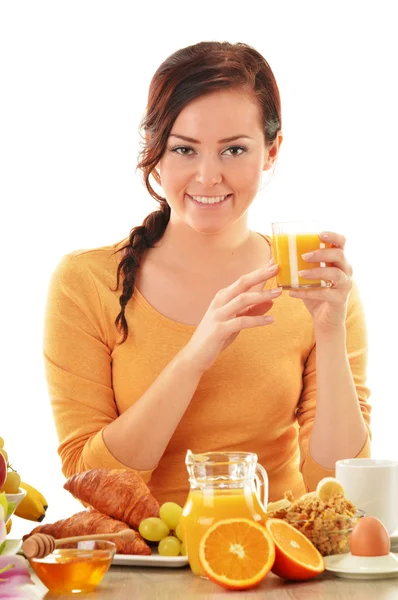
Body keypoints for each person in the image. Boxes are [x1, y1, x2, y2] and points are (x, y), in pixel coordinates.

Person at [44, 41, 371, 507]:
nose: (208, 176)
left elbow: (338, 488)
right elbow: (89, 482)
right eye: (184, 149)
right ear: (156, 152)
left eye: (234, 149)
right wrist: (194, 357)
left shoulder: (315, 284)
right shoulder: (86, 282)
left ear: (272, 151)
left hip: (275, 560)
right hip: (145, 567)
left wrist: (330, 329)